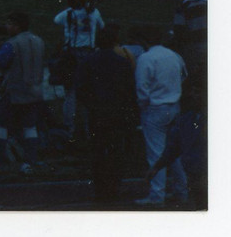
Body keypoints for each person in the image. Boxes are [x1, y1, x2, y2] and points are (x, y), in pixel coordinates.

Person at [75, 24, 139, 203]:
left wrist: (91, 105)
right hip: (117, 113)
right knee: (115, 150)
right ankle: (114, 188)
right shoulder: (122, 62)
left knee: (97, 151)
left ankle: (100, 189)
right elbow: (130, 89)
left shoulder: (88, 61)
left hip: (97, 113)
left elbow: (81, 88)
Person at [134, 26, 189, 206]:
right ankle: (182, 190)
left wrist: (144, 105)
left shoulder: (145, 58)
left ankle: (157, 195)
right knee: (174, 152)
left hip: (155, 107)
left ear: (143, 40)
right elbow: (184, 75)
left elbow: (142, 87)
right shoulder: (174, 55)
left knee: (156, 152)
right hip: (174, 105)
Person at [0, 11, 45, 175]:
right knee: (30, 127)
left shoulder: (12, 44)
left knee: (1, 125)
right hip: (34, 91)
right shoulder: (39, 41)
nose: (6, 27)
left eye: (9, 24)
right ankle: (29, 162)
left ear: (17, 26)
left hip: (15, 92)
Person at [146, 78, 206, 210]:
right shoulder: (186, 119)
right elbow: (174, 147)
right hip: (195, 171)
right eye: (193, 92)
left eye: (198, 92)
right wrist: (157, 166)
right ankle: (182, 191)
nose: (194, 96)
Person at [54, 0, 105, 140]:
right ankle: (90, 130)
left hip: (72, 54)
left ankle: (69, 128)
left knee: (70, 93)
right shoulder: (94, 13)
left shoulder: (68, 13)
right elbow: (102, 26)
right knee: (89, 93)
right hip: (89, 53)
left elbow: (56, 20)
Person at [172, 0, 206, 78]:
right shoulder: (206, 5)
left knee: (192, 76)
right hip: (208, 47)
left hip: (192, 49)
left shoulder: (182, 8)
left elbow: (179, 31)